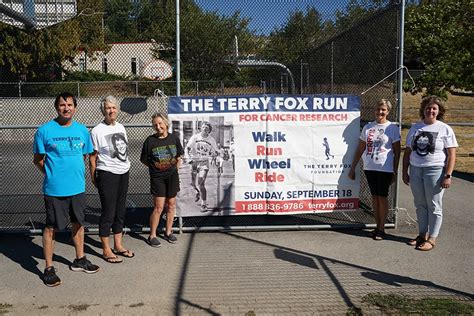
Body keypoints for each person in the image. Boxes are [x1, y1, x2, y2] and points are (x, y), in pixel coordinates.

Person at [33, 92, 99, 287]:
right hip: (54, 190)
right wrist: (52, 174)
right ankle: (48, 268)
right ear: (57, 107)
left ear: (75, 107)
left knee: (78, 223)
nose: (66, 108)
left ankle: (79, 259)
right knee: (51, 227)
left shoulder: (82, 131)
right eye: (62, 105)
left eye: (70, 104)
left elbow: (86, 156)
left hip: (77, 188)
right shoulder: (44, 131)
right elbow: (38, 159)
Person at [402, 96, 457, 251]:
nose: (431, 111)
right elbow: (408, 151)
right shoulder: (415, 128)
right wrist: (405, 172)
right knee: (420, 204)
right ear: (423, 109)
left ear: (439, 111)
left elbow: (452, 154)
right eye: (428, 108)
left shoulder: (444, 129)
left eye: (434, 108)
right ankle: (422, 235)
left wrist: (448, 175)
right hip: (416, 169)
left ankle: (432, 238)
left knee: (434, 204)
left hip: (435, 170)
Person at [348, 99, 401, 240]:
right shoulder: (368, 127)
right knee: (374, 197)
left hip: (385, 168)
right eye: (378, 109)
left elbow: (397, 151)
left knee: (382, 197)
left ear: (388, 112)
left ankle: (382, 228)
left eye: (383, 109)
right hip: (370, 167)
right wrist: (353, 166)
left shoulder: (392, 128)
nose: (380, 112)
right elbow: (361, 148)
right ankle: (377, 226)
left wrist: (395, 170)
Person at [89, 95, 133, 264]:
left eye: (114, 107)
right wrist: (93, 175)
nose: (111, 110)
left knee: (120, 211)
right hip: (107, 174)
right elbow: (93, 157)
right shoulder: (97, 131)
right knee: (108, 211)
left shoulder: (121, 127)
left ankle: (118, 245)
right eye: (108, 108)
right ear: (103, 110)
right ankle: (106, 249)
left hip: (123, 171)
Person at [141, 113, 184, 247]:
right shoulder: (150, 141)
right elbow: (144, 159)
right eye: (155, 125)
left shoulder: (174, 138)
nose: (158, 127)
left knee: (171, 205)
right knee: (159, 207)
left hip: (172, 177)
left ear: (166, 123)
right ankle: (152, 235)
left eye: (160, 123)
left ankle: (168, 232)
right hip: (158, 178)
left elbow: (179, 156)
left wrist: (174, 170)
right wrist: (157, 168)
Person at [185, 121, 218, 212]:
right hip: (194, 163)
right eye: (203, 127)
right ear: (200, 128)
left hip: (204, 163)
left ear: (209, 131)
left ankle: (203, 204)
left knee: (201, 183)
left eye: (207, 128)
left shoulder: (212, 140)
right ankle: (196, 191)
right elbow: (187, 148)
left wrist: (216, 157)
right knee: (193, 183)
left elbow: (216, 151)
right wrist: (188, 158)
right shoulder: (195, 137)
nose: (205, 129)